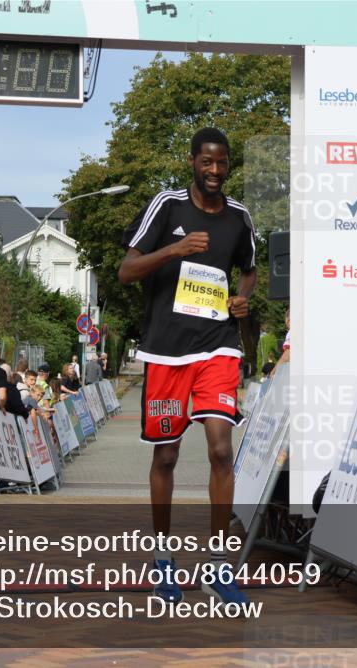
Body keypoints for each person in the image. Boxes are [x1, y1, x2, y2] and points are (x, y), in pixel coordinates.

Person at [118, 127, 258, 605]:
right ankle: (163, 560)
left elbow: (249, 270)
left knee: (221, 449)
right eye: (207, 162)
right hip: (167, 351)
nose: (215, 170)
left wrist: (241, 298)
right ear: (193, 161)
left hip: (219, 345)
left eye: (222, 162)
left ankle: (218, 565)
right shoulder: (167, 206)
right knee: (166, 456)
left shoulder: (239, 217)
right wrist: (174, 250)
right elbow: (126, 270)